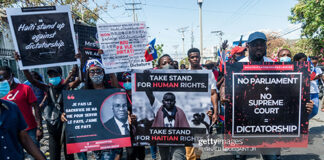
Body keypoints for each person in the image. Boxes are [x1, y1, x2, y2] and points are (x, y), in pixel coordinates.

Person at [234, 31, 314, 160]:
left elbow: (285, 90)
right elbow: (230, 90)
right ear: (248, 46)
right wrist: (225, 96)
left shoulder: (272, 64)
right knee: (241, 156)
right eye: (255, 44)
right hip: (245, 120)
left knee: (271, 157)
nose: (259, 47)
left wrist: (303, 103)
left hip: (268, 123)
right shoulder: (238, 66)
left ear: (266, 46)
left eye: (262, 44)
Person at [0, 66, 43, 157]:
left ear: (12, 76)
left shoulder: (25, 89)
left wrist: (39, 127)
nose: (4, 81)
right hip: (11, 131)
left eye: (5, 78)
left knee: (33, 153)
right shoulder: (2, 94)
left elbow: (36, 107)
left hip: (29, 129)